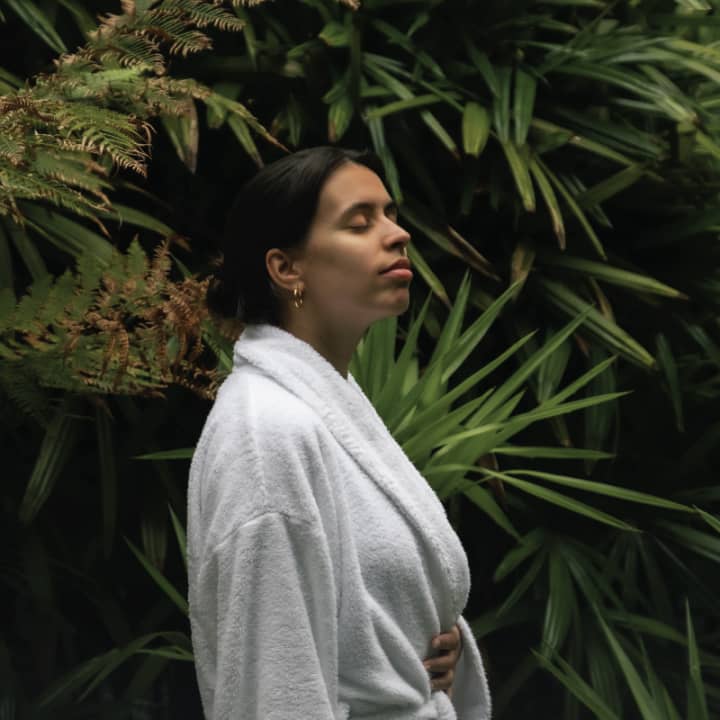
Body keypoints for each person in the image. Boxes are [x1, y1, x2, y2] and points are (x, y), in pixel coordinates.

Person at [187, 146, 492, 719]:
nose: (398, 234)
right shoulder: (266, 431)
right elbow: (272, 692)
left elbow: (367, 605)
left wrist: (416, 653)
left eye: (390, 214)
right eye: (360, 222)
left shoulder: (325, 404)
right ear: (286, 269)